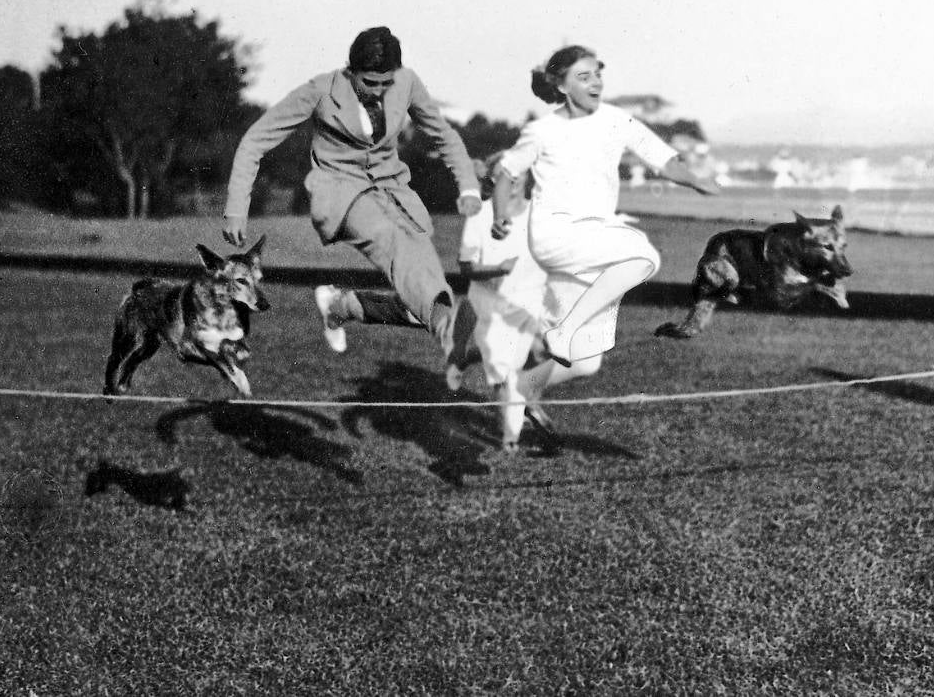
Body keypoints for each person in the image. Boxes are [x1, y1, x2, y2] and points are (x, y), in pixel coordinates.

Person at [222, 26, 481, 362]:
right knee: (392, 242)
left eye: (386, 83)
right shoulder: (320, 90)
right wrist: (236, 207)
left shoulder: (407, 82)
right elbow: (256, 140)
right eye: (369, 83)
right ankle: (447, 329)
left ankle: (342, 306)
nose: (378, 91)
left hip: (395, 195)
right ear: (350, 69)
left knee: (421, 289)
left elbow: (443, 135)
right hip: (341, 196)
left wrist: (470, 186)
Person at [491, 45, 719, 400]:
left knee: (586, 362)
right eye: (583, 76)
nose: (595, 82)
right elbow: (505, 172)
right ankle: (560, 332)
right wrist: (500, 215)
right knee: (644, 258)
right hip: (557, 235)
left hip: (595, 239)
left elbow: (663, 160)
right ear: (562, 86)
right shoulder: (542, 130)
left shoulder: (616, 119)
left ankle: (520, 388)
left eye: (598, 73)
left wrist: (697, 180)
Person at [447, 156, 549, 452]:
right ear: (493, 181)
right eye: (503, 174)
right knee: (504, 372)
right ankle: (511, 437)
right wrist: (498, 270)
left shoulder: (538, 213)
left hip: (532, 301)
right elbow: (466, 268)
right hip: (490, 305)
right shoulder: (479, 218)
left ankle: (470, 360)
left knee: (542, 354)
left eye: (517, 172)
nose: (512, 178)